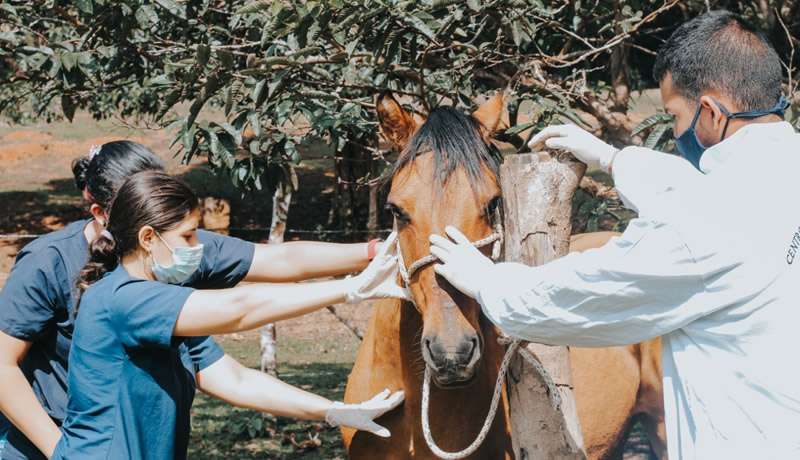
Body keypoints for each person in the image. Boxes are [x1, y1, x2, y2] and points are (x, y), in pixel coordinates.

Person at [428, 10, 800, 460]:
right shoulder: (782, 168)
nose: (677, 131)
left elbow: (585, 293)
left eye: (674, 115)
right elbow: (700, 196)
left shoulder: (704, 223)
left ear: (710, 111)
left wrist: (487, 281)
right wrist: (611, 158)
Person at [0, 141, 400, 459]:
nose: (199, 248)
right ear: (146, 235)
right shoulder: (119, 297)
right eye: (189, 236)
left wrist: (331, 411)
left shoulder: (162, 291)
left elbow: (233, 378)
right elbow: (240, 310)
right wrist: (352, 289)